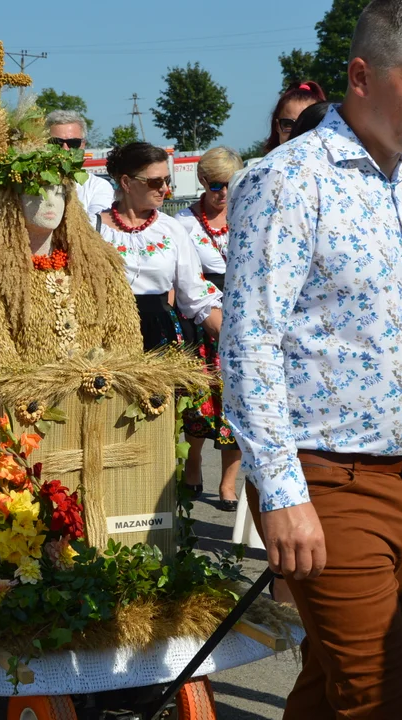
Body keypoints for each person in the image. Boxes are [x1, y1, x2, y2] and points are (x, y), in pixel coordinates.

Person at [220, 1, 402, 716]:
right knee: (380, 694)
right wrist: (283, 494)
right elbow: (249, 341)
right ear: (361, 74)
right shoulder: (288, 180)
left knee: (330, 687)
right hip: (330, 483)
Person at [0, 148, 140, 369]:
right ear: (12, 202)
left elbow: (124, 337)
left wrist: (112, 377)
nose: (50, 203)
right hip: (33, 397)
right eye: (37, 194)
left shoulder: (98, 264)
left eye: (58, 193)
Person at [97, 142, 222, 351]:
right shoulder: (94, 229)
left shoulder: (171, 229)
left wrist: (234, 342)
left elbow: (197, 294)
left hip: (161, 338)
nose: (165, 188)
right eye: (155, 182)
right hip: (107, 335)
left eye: (167, 180)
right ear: (126, 183)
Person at [173, 146, 243, 511]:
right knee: (200, 405)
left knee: (237, 406)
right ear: (202, 181)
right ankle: (195, 462)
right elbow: (178, 279)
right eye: (217, 185)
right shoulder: (183, 223)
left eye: (231, 185)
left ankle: (229, 484)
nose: (224, 193)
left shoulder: (248, 216)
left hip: (243, 320)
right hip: (201, 322)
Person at [46, 110, 115, 216]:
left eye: (73, 143)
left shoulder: (97, 187)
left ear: (83, 145)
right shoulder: (29, 183)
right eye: (56, 142)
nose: (65, 149)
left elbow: (95, 227)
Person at [264, 80, 327, 153]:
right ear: (277, 127)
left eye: (307, 125)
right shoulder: (267, 164)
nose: (296, 133)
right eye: (288, 124)